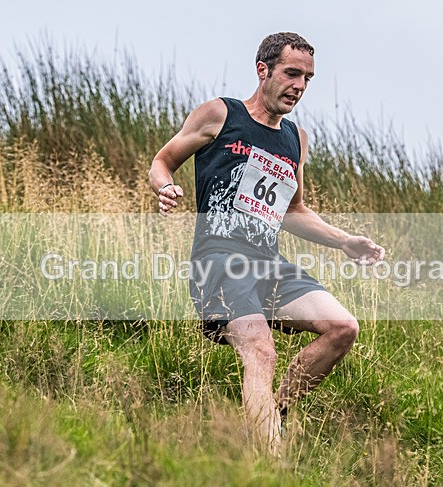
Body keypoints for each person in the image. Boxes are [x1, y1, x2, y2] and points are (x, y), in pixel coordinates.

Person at [148, 32, 385, 453]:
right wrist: (165, 187)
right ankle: (271, 466)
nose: (300, 85)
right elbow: (163, 160)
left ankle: (272, 415)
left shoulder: (296, 139)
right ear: (263, 70)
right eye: (292, 73)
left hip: (269, 264)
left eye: (308, 78)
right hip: (219, 262)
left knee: (342, 327)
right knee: (261, 349)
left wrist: (344, 241)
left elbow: (293, 211)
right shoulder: (221, 114)